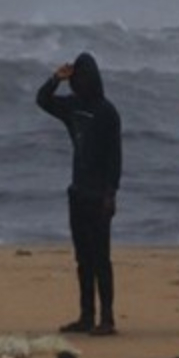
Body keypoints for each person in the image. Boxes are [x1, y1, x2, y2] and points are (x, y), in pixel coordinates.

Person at [36, 51, 122, 336]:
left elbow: (115, 158)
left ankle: (107, 319)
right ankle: (86, 316)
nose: (80, 81)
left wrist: (111, 194)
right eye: (77, 76)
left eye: (83, 76)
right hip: (77, 193)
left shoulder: (107, 112)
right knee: (83, 259)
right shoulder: (72, 107)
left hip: (99, 196)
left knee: (101, 259)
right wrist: (56, 79)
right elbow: (42, 100)